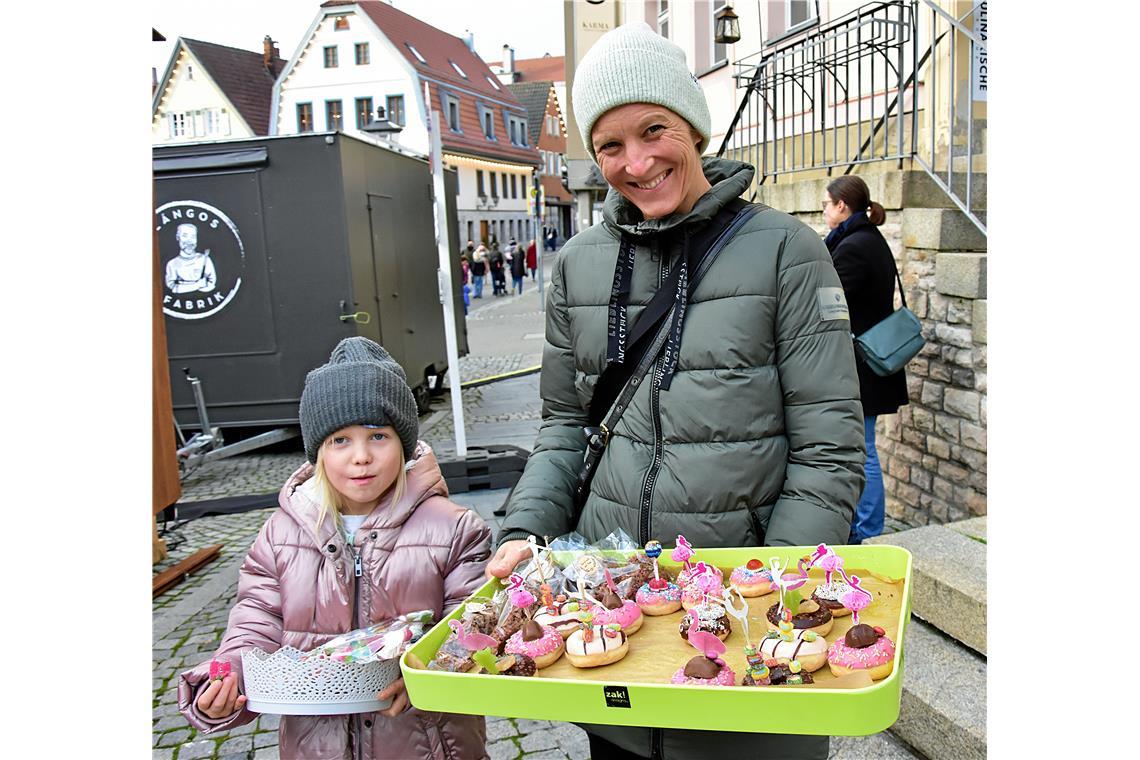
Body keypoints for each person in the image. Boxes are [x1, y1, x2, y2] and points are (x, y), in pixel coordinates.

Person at [485, 22, 864, 760]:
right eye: (610, 146)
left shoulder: (788, 250)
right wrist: (523, 535)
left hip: (748, 631)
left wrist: (771, 594)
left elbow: (829, 448)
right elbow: (566, 425)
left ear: (691, 125)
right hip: (618, 628)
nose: (637, 161)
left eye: (654, 130)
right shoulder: (577, 267)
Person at [178, 337, 492, 760]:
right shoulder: (280, 536)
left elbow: (473, 624)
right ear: (318, 452)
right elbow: (256, 623)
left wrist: (431, 673)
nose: (360, 457)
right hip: (315, 745)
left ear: (404, 444)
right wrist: (228, 676)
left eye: (378, 436)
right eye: (340, 440)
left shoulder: (454, 529)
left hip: (427, 742)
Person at [823, 176, 910, 545]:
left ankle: (868, 531)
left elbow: (829, 303)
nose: (824, 211)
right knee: (864, 447)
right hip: (866, 363)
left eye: (826, 204)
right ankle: (864, 527)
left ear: (843, 205)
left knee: (864, 449)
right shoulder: (867, 239)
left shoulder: (854, 246)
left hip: (863, 366)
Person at [165, 222, 217, 294]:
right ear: (177, 237)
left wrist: (184, 287)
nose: (189, 240)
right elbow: (173, 288)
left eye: (193, 236)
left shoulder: (205, 259)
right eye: (185, 236)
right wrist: (197, 285)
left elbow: (212, 283)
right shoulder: (172, 264)